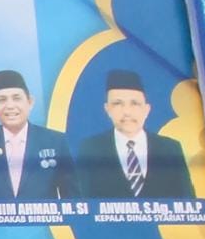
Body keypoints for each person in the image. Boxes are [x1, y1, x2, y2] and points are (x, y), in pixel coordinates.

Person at [77, 69, 194, 199]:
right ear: (107, 109)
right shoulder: (91, 148)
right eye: (117, 104)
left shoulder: (170, 149)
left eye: (135, 104)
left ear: (147, 109)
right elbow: (83, 202)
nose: (127, 112)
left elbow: (188, 202)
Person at [0, 70, 77, 201]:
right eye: (2, 100)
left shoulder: (55, 141)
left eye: (16, 98)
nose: (10, 106)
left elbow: (73, 197)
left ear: (30, 102)